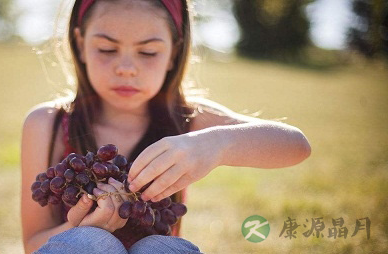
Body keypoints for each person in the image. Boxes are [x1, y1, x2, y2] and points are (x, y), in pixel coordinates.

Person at [20, 0, 312, 253]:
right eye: (107, 49)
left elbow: (297, 146)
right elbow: (34, 245)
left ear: (174, 52)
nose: (126, 67)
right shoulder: (49, 123)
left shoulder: (186, 118)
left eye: (148, 53)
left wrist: (217, 145)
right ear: (80, 44)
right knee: (90, 244)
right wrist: (76, 228)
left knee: (161, 247)